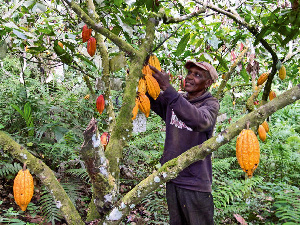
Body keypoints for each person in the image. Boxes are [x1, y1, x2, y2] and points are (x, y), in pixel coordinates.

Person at [149, 60, 220, 225]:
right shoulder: (177, 99)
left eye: (197, 75)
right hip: (173, 176)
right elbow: (153, 99)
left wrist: (168, 89)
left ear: (208, 83)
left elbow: (199, 121)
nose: (189, 77)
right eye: (189, 73)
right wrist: (143, 76)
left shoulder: (210, 104)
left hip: (195, 182)